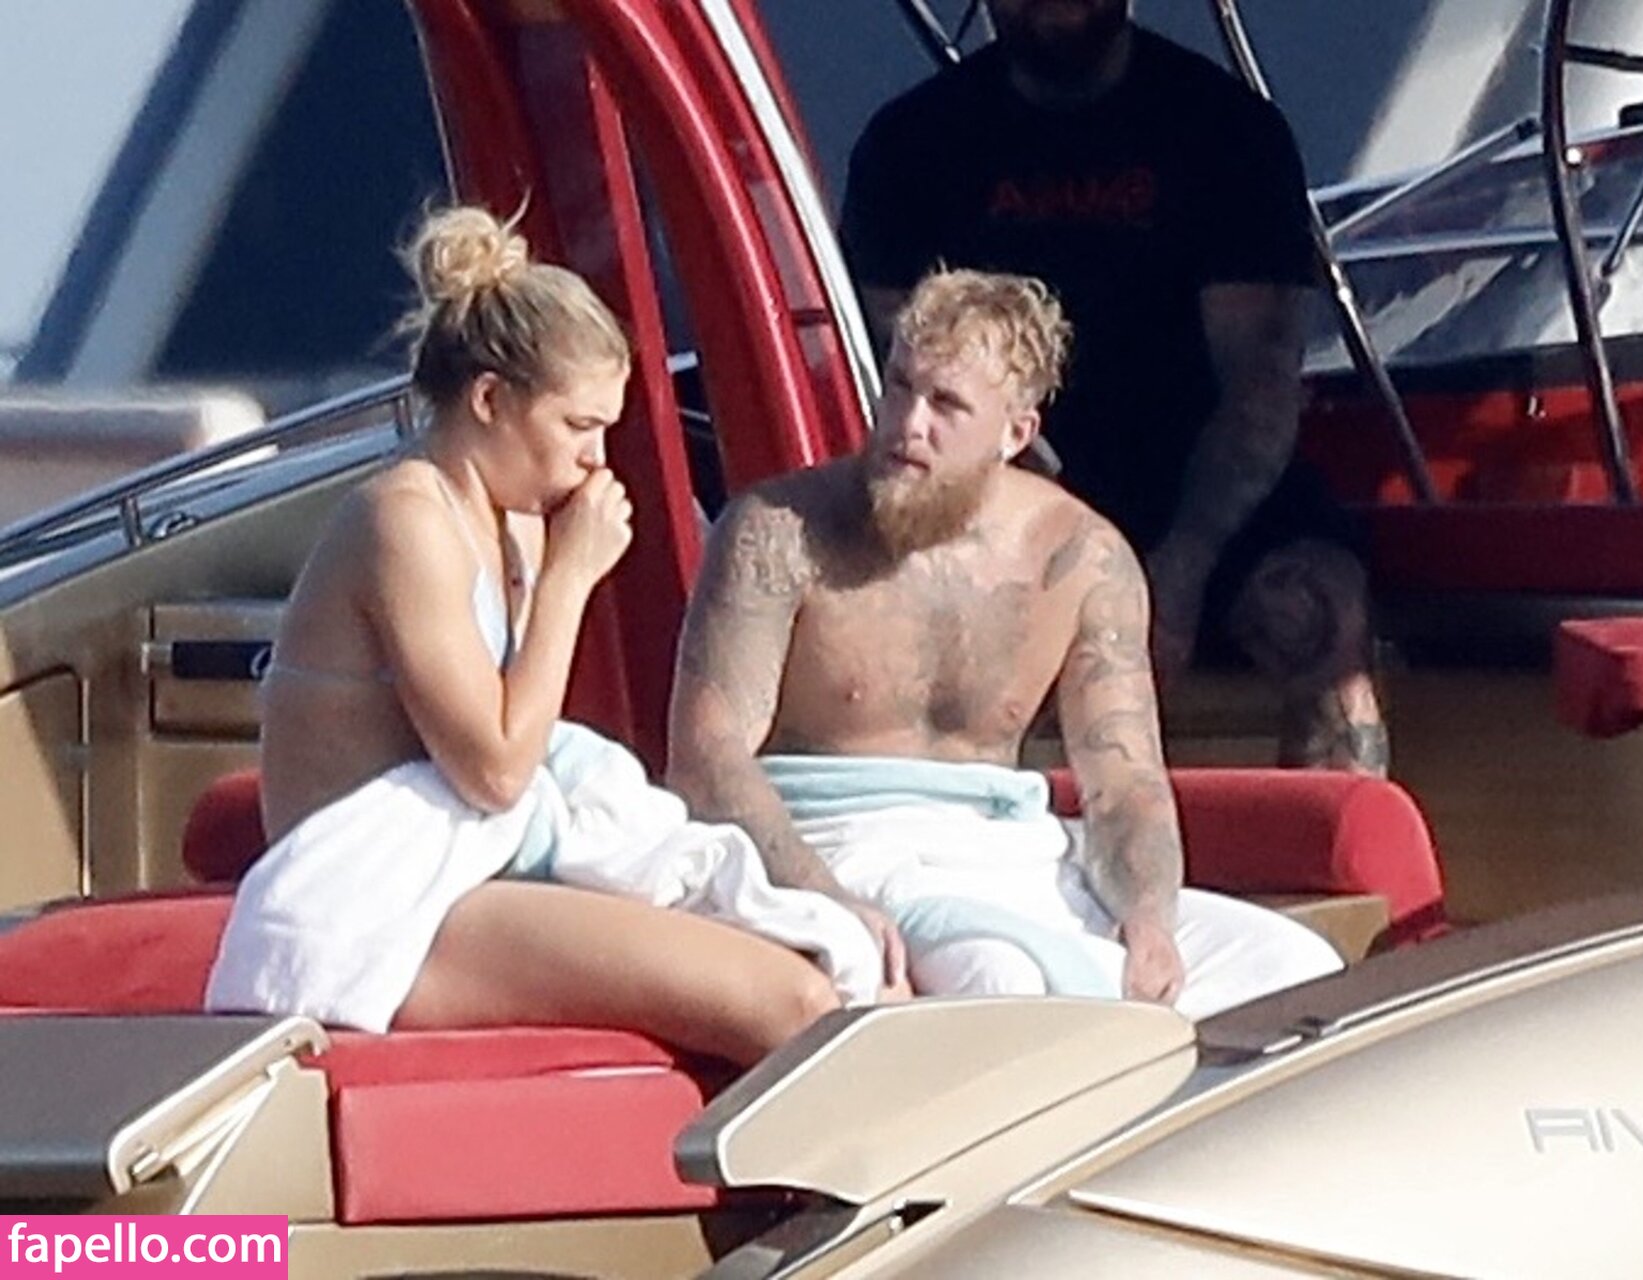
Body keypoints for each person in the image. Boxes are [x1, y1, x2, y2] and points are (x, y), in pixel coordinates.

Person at [205, 206, 874, 1066]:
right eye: (579, 427)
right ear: (489, 399)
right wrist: (570, 579)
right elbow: (493, 769)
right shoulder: (404, 519)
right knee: (793, 1003)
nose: (597, 459)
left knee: (826, 971)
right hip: (376, 901)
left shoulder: (515, 520)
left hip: (469, 871)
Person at [668, 269, 1342, 1017]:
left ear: (1016, 433)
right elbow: (706, 758)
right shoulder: (777, 530)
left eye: (946, 404)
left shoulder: (1081, 555)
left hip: (1013, 849)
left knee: (1295, 967)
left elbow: (1124, 783)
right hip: (835, 844)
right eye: (899, 387)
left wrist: (1150, 920)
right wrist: (821, 897)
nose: (908, 425)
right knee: (1002, 977)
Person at [839, 0, 1386, 774]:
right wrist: (1055, 549)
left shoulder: (1228, 131)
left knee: (1319, 614)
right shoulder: (910, 146)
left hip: (1196, 485)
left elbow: (1259, 386)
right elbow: (903, 387)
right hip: (996, 484)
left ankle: (1338, 840)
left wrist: (1181, 568)